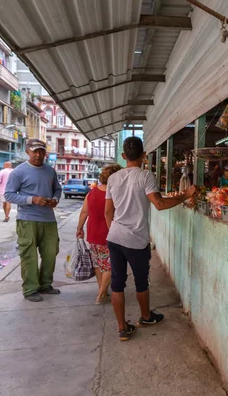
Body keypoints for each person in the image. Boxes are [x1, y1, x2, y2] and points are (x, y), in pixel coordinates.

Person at [105, 136, 196, 341]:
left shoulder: (113, 178)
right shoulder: (146, 176)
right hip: (136, 240)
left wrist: (115, 232)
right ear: (144, 155)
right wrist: (185, 195)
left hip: (115, 237)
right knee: (141, 281)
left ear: (123, 156)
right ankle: (145, 317)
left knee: (117, 283)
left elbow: (107, 213)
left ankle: (122, 328)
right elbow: (160, 204)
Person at [4, 139, 63, 302]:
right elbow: (8, 195)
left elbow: (57, 188)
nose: (38, 155)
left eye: (41, 151)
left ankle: (45, 285)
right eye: (35, 151)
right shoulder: (18, 172)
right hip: (27, 220)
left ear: (45, 153)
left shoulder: (50, 171)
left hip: (49, 219)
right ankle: (30, 289)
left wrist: (55, 198)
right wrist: (32, 199)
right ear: (28, 152)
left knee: (51, 253)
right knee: (29, 255)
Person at [76, 164, 121, 304]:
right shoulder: (115, 193)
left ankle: (102, 291)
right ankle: (101, 295)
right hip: (109, 233)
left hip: (93, 233)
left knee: (98, 264)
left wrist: (79, 228)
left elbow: (84, 211)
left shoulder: (92, 192)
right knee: (110, 265)